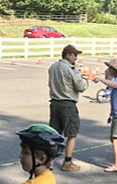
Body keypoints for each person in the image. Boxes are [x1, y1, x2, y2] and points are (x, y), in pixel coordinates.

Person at [48, 44, 89, 172]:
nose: (76, 58)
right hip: (67, 103)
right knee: (71, 133)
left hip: (55, 102)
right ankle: (67, 161)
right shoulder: (71, 69)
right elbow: (81, 87)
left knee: (54, 133)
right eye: (74, 55)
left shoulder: (53, 67)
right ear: (68, 55)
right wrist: (81, 77)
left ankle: (49, 162)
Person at [93, 58, 117, 172]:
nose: (108, 70)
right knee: (113, 139)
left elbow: (113, 84)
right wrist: (111, 114)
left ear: (115, 70)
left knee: (116, 139)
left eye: (111, 68)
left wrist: (100, 79)